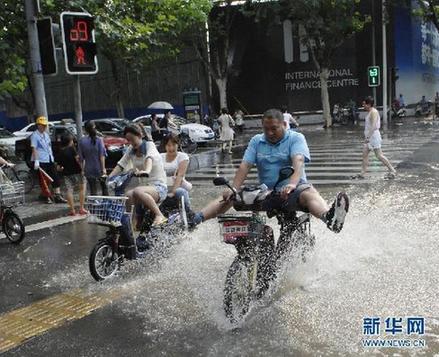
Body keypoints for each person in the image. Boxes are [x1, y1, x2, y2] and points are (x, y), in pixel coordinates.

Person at [190, 109, 349, 234]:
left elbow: (298, 162)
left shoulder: (296, 138)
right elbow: (244, 166)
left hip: (293, 191)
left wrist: (292, 185)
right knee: (230, 196)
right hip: (267, 193)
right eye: (266, 129)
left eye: (275, 129)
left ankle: (329, 219)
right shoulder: (257, 141)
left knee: (308, 193)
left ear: (284, 125)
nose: (270, 133)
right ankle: (195, 219)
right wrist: (234, 188)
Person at [109, 124, 168, 226]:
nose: (131, 143)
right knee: (127, 195)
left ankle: (159, 215)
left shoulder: (150, 145)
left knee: (137, 191)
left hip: (159, 187)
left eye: (132, 139)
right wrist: (109, 177)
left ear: (140, 135)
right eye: (128, 140)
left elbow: (150, 158)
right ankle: (129, 224)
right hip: (145, 188)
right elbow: (121, 164)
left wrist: (147, 171)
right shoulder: (131, 150)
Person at [352, 97, 396, 180]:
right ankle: (362, 173)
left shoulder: (374, 112)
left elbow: (373, 125)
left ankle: (392, 170)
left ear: (369, 104)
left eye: (364, 104)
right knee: (364, 155)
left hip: (373, 137)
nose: (363, 105)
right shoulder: (369, 112)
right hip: (369, 137)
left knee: (379, 155)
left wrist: (368, 137)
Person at [30, 116, 66, 204]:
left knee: (55, 177)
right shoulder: (35, 136)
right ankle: (46, 196)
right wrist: (36, 160)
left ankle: (57, 196)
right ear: (38, 125)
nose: (44, 127)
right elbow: (34, 148)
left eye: (45, 125)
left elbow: (49, 147)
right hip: (41, 160)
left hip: (49, 159)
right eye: (42, 125)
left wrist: (53, 158)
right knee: (44, 180)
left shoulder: (46, 135)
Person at [160, 133, 193, 212]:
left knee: (180, 192)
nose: (171, 148)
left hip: (178, 186)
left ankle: (189, 214)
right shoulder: (160, 157)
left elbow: (180, 175)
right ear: (165, 146)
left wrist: (173, 192)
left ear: (178, 144)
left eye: (174, 144)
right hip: (162, 188)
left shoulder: (183, 156)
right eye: (168, 145)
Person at [56, 134, 87, 216]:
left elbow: (59, 167)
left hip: (67, 174)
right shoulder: (72, 149)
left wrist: (63, 168)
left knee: (69, 191)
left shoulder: (60, 152)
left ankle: (72, 210)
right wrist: (83, 169)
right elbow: (78, 160)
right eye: (72, 140)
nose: (73, 142)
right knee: (82, 189)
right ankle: (81, 208)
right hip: (77, 172)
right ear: (69, 142)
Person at [79, 121, 108, 196]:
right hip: (99, 168)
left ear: (85, 129)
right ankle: (105, 204)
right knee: (104, 187)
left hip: (88, 168)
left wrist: (82, 170)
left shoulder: (82, 141)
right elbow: (102, 156)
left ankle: (94, 205)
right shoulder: (99, 140)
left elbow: (81, 158)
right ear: (94, 127)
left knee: (93, 189)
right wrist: (103, 169)